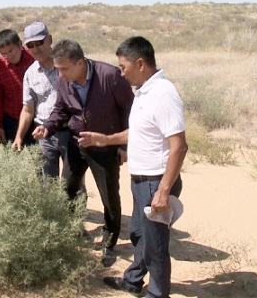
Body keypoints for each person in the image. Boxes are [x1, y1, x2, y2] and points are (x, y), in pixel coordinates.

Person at [95, 36, 188, 297]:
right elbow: (138, 132)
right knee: (139, 234)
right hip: (141, 180)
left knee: (155, 245)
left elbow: (179, 145)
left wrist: (163, 190)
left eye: (123, 67)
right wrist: (107, 139)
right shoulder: (144, 92)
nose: (121, 73)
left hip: (156, 181)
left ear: (140, 63)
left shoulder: (163, 94)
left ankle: (157, 293)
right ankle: (133, 280)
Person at [32, 39, 134, 266]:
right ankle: (71, 230)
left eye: (64, 68)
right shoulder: (63, 82)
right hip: (77, 144)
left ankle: (109, 242)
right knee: (66, 189)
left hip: (105, 146)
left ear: (80, 63)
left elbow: (129, 108)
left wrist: (123, 145)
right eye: (58, 69)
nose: (61, 74)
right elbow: (61, 111)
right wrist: (47, 127)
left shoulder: (109, 76)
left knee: (109, 196)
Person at [13, 22, 86, 191]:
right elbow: (28, 109)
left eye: (39, 43)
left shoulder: (69, 64)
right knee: (48, 184)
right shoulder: (30, 74)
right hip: (44, 134)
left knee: (74, 182)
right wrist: (19, 136)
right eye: (31, 45)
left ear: (50, 40)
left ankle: (74, 216)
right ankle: (54, 216)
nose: (36, 49)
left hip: (71, 132)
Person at [0, 29, 35, 145]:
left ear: (20, 44)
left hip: (34, 119)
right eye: (4, 54)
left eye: (12, 51)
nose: (9, 56)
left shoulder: (34, 58)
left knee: (39, 159)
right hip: (11, 120)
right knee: (12, 159)